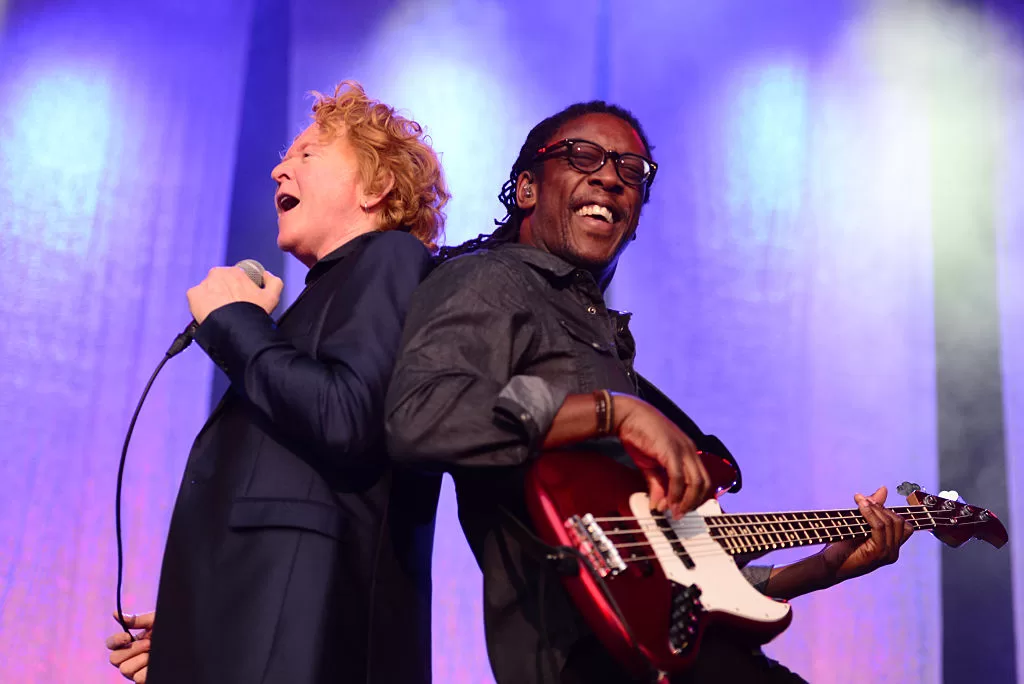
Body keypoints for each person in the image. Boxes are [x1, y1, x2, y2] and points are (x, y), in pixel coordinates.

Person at [384, 101, 912, 683]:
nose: (611, 176)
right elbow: (419, 416)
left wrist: (822, 568)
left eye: (631, 170)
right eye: (582, 156)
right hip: (582, 656)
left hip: (665, 653)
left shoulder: (596, 334)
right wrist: (615, 414)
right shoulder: (488, 280)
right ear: (528, 189)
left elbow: (676, 567)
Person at [105, 81, 449, 684]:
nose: (277, 169)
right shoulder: (320, 304)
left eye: (308, 154)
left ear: (376, 187)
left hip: (307, 645)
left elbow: (346, 416)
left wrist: (233, 323)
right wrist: (201, 625)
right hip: (266, 633)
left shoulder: (392, 259)